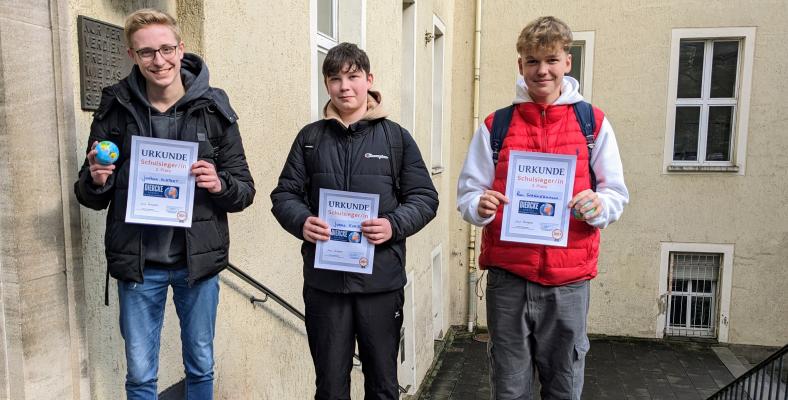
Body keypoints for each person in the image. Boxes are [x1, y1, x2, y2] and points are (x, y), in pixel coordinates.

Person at [74, 8, 255, 399]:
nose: (159, 60)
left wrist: (218, 183)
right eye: (146, 52)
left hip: (197, 264)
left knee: (201, 366)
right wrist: (97, 179)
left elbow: (244, 189)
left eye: (166, 49)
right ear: (132, 55)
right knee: (140, 375)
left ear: (180, 48)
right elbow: (88, 194)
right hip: (139, 266)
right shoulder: (115, 107)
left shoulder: (214, 108)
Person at [456, 16, 629, 400]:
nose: (542, 70)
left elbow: (616, 194)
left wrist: (597, 205)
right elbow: (468, 194)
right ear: (521, 65)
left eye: (551, 60)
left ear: (567, 61)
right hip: (509, 279)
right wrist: (480, 205)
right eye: (532, 61)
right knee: (509, 389)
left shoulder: (592, 123)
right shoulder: (496, 125)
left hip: (568, 281)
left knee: (564, 388)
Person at [271, 42, 438, 400]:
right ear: (326, 84)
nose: (344, 86)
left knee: (383, 385)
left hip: (380, 284)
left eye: (353, 77)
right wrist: (303, 222)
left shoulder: (396, 138)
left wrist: (393, 225)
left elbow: (425, 198)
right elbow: (284, 196)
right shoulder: (310, 139)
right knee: (330, 388)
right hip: (325, 286)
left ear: (369, 80)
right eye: (335, 79)